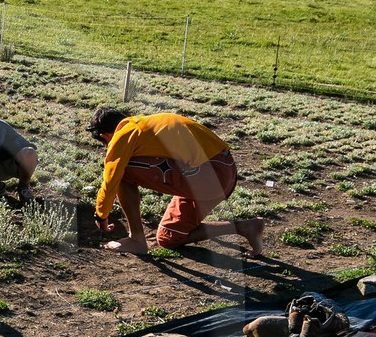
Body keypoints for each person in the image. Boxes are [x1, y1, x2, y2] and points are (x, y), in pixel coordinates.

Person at [88, 106, 265, 257]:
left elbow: (111, 178)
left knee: (123, 170)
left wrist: (101, 215)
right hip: (224, 172)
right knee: (168, 237)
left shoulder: (125, 132)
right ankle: (245, 227)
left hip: (210, 173)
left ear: (105, 136)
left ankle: (136, 239)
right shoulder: (147, 124)